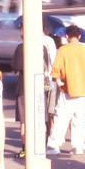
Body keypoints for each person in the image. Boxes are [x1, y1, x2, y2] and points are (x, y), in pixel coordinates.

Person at [47, 25, 85, 156]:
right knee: (79, 120)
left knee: (61, 118)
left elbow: (56, 70)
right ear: (79, 36)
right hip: (83, 90)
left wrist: (59, 81)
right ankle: (78, 146)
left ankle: (54, 145)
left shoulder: (63, 50)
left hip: (68, 90)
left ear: (67, 36)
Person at [13, 31, 56, 159]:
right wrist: (48, 88)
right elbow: (48, 68)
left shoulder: (21, 47)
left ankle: (25, 149)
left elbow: (16, 66)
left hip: (24, 87)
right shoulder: (43, 47)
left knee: (24, 121)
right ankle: (41, 146)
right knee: (41, 117)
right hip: (41, 86)